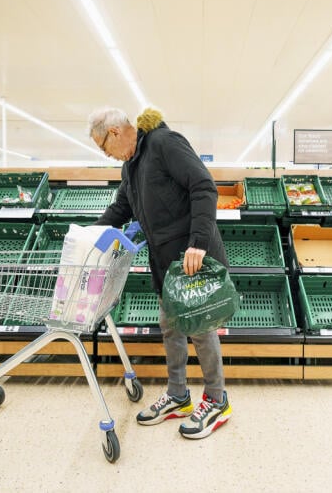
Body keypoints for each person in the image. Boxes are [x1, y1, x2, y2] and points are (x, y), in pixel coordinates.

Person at [89, 106, 232, 440]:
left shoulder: (165, 143)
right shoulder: (131, 165)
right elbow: (121, 208)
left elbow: (203, 187)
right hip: (166, 264)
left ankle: (216, 400)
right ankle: (179, 394)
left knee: (200, 328)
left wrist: (198, 243)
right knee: (170, 327)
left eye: (102, 147)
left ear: (113, 133)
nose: (106, 155)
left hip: (193, 259)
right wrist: (89, 233)